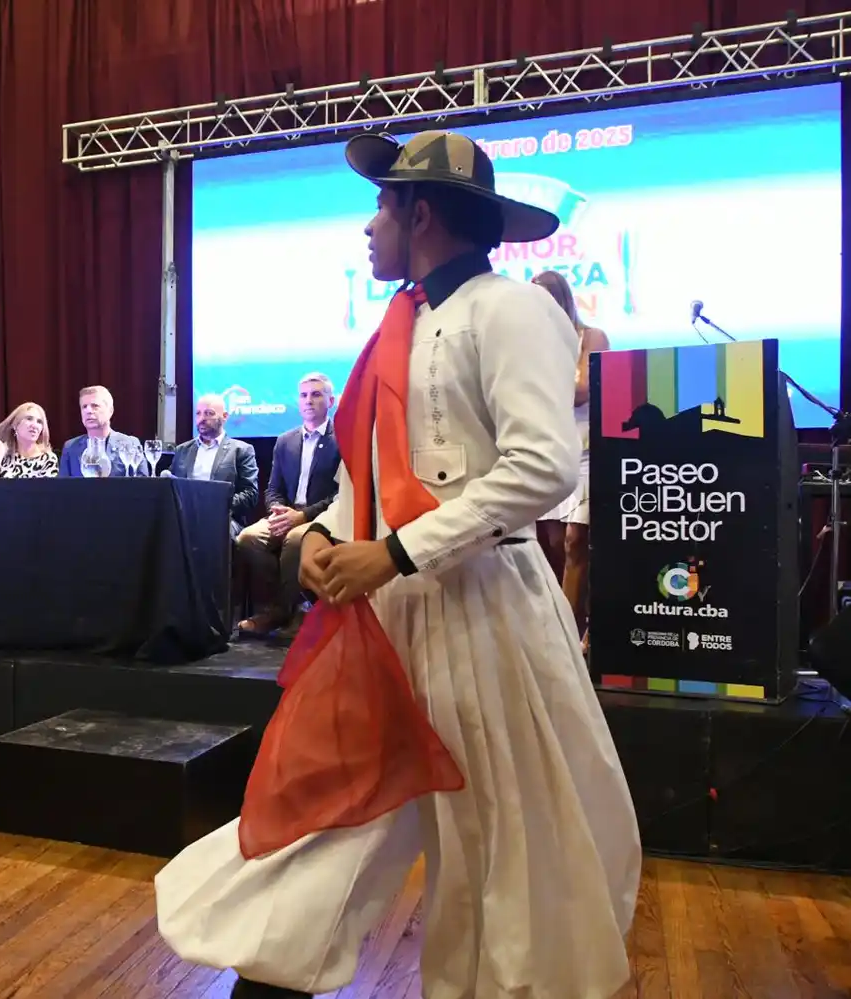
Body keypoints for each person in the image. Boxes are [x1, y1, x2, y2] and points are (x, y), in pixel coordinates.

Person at [154, 131, 639, 999]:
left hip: (491, 618)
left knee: (502, 848)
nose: (369, 227)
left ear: (420, 212)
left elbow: (543, 466)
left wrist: (398, 552)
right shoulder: (394, 330)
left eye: (380, 206)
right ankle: (267, 979)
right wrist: (313, 538)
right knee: (329, 812)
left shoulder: (513, 308)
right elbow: (361, 486)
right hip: (391, 619)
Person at [533, 269, 608, 647]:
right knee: (552, 545)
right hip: (552, 451)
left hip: (590, 452)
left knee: (576, 540)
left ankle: (568, 637)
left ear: (563, 298)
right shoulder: (529, 346)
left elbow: (582, 391)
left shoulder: (590, 337)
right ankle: (568, 624)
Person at [235, 373, 340, 639]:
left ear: (331, 400)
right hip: (287, 512)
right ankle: (273, 611)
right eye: (304, 395)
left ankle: (297, 611)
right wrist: (278, 511)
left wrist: (302, 516)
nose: (309, 400)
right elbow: (273, 489)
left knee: (295, 540)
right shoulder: (285, 440)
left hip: (324, 515)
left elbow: (341, 494)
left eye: (316, 394)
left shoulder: (342, 439)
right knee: (247, 538)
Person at [169, 394, 259, 536]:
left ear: (224, 417)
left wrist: (216, 505)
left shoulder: (240, 450)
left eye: (209, 413)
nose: (202, 419)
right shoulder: (183, 450)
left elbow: (250, 494)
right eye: (198, 413)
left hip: (223, 518)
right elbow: (171, 487)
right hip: (185, 517)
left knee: (212, 529)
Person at [58, 385, 142, 477]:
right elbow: (62, 488)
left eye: (95, 406)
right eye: (84, 407)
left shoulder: (130, 443)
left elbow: (144, 485)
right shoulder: (70, 447)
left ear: (110, 411)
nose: (88, 411)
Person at [0, 402, 59, 478]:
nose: (34, 425)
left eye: (39, 422)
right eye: (29, 419)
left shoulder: (48, 459)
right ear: (15, 425)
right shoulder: (3, 455)